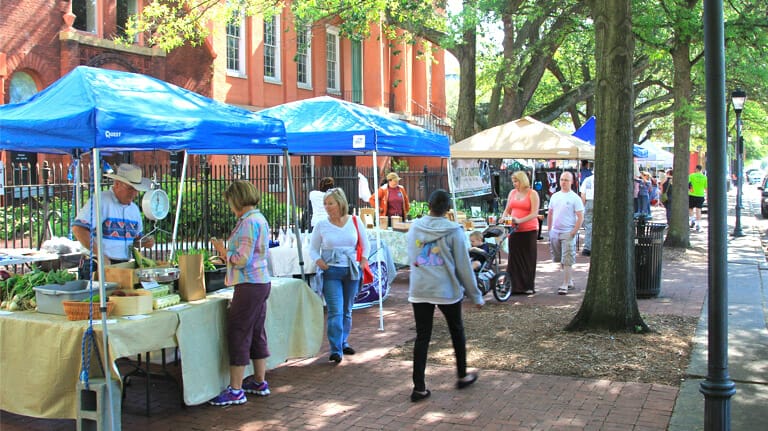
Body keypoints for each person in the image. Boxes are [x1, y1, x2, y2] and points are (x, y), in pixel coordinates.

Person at [406, 189, 484, 402]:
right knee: (456, 331)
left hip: (420, 289)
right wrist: (475, 295)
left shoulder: (415, 227)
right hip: (446, 289)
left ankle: (419, 387)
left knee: (422, 337)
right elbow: (464, 266)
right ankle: (461, 375)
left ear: (428, 205)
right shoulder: (454, 231)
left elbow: (411, 255)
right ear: (448, 209)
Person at [209, 180, 272, 406]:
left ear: (237, 200)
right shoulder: (259, 219)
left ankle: (235, 389)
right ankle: (258, 380)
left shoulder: (248, 223)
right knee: (256, 331)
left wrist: (223, 252)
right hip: (260, 281)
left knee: (239, 331)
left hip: (249, 284)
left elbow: (242, 259)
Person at [309, 188, 370, 364]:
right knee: (335, 310)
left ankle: (343, 341)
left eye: (330, 203)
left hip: (351, 270)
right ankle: (335, 349)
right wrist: (320, 262)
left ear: (340, 203)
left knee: (347, 310)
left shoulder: (355, 221)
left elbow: (365, 245)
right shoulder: (322, 225)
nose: (327, 207)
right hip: (332, 271)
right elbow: (313, 248)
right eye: (325, 204)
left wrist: (363, 261)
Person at [72, 163, 155, 280]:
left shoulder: (134, 209)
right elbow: (79, 228)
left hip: (124, 265)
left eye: (136, 189)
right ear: (117, 184)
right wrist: (99, 254)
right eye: (130, 188)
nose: (134, 193)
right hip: (97, 264)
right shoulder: (101, 200)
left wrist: (144, 242)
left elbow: (135, 239)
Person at [500, 171, 540, 294]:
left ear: (522, 181)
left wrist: (519, 220)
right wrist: (503, 217)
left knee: (527, 258)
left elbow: (534, 213)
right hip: (514, 230)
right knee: (514, 257)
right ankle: (513, 285)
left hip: (529, 230)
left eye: (516, 181)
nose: (514, 184)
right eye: (513, 181)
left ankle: (527, 286)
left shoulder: (532, 193)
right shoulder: (512, 193)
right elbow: (507, 209)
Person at [547, 172, 584, 295]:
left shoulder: (575, 198)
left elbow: (580, 217)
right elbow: (550, 213)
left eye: (566, 180)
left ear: (572, 182)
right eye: (562, 179)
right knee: (561, 259)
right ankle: (570, 280)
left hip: (568, 232)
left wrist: (574, 231)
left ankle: (565, 284)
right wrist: (550, 230)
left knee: (567, 259)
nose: (563, 182)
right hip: (555, 232)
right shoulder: (555, 196)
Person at [688, 165, 708, 232]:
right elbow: (706, 188)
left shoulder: (691, 175)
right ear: (701, 169)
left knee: (690, 208)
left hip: (692, 195)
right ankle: (698, 224)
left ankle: (692, 220)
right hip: (700, 195)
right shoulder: (704, 177)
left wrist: (691, 189)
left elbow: (688, 184)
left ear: (696, 169)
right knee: (698, 210)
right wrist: (707, 196)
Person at [580, 171, 594, 257]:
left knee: (589, 226)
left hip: (589, 202)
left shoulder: (587, 180)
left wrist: (584, 206)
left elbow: (583, 194)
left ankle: (588, 247)